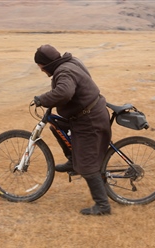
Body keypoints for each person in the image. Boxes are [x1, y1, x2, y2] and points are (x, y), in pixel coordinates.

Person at [33, 44, 112, 215]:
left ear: (46, 64)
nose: (41, 70)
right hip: (86, 114)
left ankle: (103, 206)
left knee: (87, 164)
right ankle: (73, 160)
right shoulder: (70, 62)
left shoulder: (64, 71)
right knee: (56, 125)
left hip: (90, 119)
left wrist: (42, 99)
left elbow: (64, 92)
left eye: (40, 67)